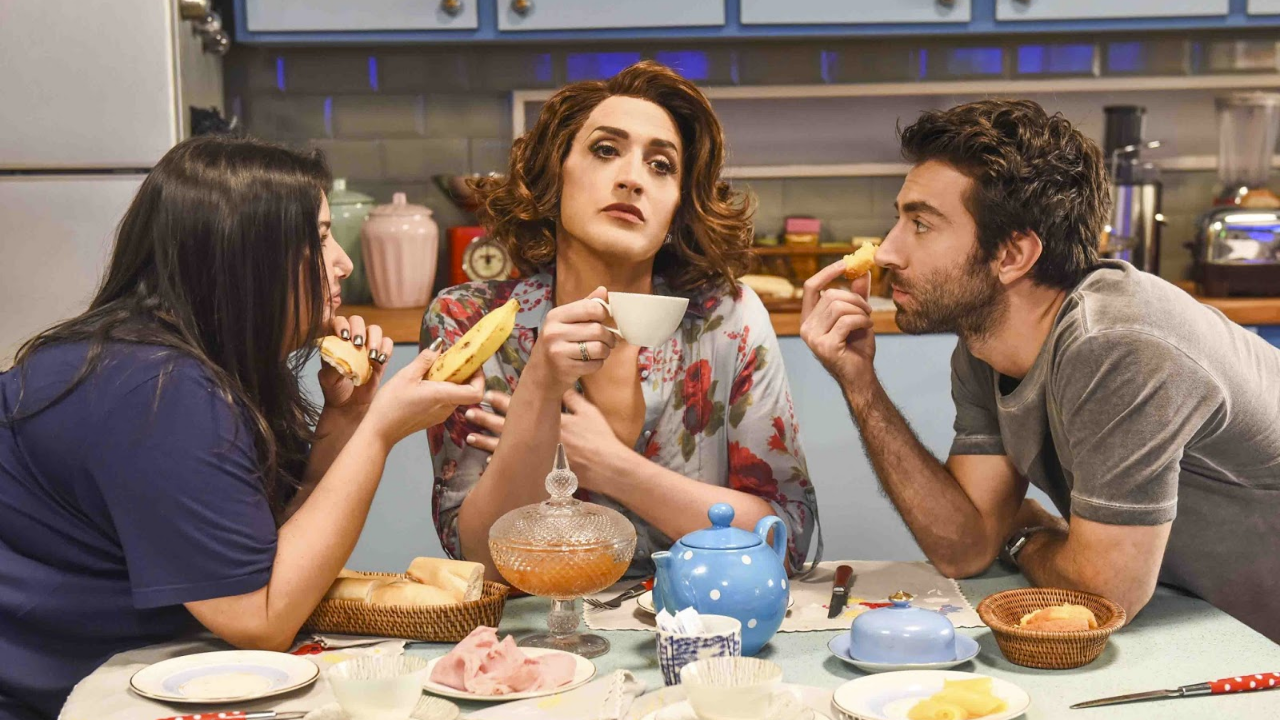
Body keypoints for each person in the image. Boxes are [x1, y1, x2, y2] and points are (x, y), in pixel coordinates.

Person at [0, 135, 483, 720]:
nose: (344, 263)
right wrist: (380, 432)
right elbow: (260, 619)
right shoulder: (159, 389)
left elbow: (264, 557)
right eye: (321, 238)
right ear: (246, 253)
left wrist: (347, 419)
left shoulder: (177, 361)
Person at [800, 99, 1280, 641]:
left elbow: (1105, 597)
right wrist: (859, 382)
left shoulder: (1117, 345)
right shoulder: (986, 347)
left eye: (921, 224)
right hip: (1221, 629)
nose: (887, 252)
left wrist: (1026, 534)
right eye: (899, 220)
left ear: (1012, 255)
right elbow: (964, 547)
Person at [422, 61, 819, 579]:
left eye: (661, 165)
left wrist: (613, 467)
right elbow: (478, 563)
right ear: (554, 176)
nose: (633, 179)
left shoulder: (728, 320)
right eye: (606, 150)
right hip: (538, 627)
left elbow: (785, 543)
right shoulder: (468, 321)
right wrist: (539, 386)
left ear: (677, 209)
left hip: (702, 622)